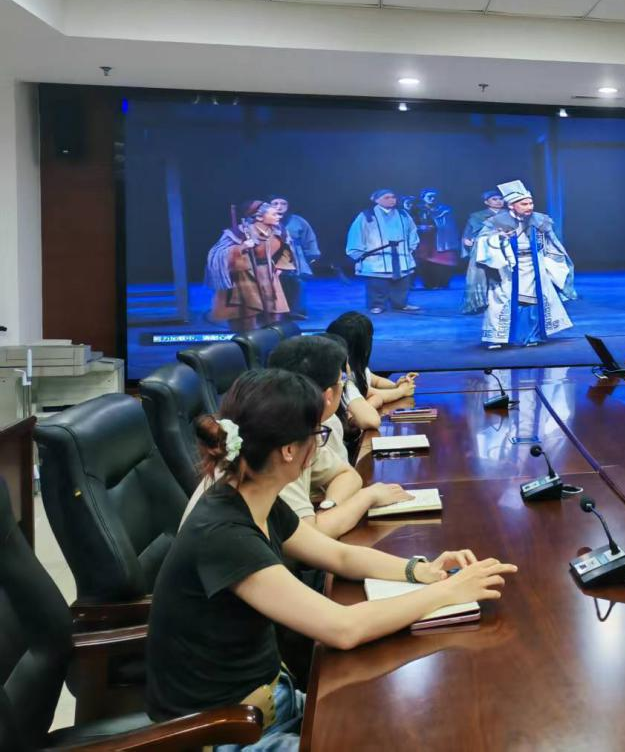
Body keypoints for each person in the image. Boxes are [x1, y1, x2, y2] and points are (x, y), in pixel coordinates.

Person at [145, 369, 517, 748]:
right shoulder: (224, 533)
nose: (319, 444)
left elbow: (338, 555)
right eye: (317, 434)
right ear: (289, 450)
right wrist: (448, 592)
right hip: (224, 732)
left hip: (272, 701)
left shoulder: (252, 493)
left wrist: (420, 570)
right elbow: (343, 629)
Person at [179, 334, 413, 536]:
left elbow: (346, 476)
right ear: (327, 396)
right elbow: (314, 539)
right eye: (342, 381)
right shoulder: (268, 455)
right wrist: (366, 498)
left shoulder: (295, 430)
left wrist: (329, 508)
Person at [473, 180, 575, 349]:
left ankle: (532, 336)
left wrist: (553, 261)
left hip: (534, 266)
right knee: (502, 301)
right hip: (507, 267)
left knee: (535, 301)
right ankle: (499, 338)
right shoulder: (497, 222)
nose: (529, 207)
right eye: (524, 204)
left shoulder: (540, 220)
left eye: (531, 203)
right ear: (511, 205)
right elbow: (482, 242)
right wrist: (498, 238)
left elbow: (552, 244)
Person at [206, 199, 293, 333]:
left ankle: (272, 337)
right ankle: (247, 339)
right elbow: (217, 254)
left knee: (275, 311)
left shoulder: (279, 231)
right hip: (246, 276)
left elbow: (287, 249)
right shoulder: (239, 232)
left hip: (269, 275)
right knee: (248, 313)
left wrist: (281, 266)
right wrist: (242, 247)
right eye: (274, 214)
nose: (278, 217)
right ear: (259, 217)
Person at [345, 189, 420, 315]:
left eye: (393, 197)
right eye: (387, 197)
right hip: (377, 256)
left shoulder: (403, 214)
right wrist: (357, 252)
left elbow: (412, 231)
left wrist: (411, 247)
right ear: (376, 200)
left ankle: (401, 303)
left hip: (400, 255)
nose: (391, 200)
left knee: (402, 281)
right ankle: (377, 305)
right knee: (377, 283)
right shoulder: (367, 215)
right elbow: (357, 233)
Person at [326, 312, 415, 417]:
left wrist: (395, 385)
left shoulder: (357, 366)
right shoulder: (344, 375)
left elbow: (376, 381)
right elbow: (372, 393)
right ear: (363, 346)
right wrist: (401, 391)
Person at [267, 195, 319, 320]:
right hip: (272, 257)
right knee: (273, 284)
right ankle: (274, 311)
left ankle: (296, 310)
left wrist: (311, 255)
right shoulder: (265, 220)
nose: (279, 207)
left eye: (283, 203)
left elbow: (309, 239)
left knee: (298, 282)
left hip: (295, 258)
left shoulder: (298, 221)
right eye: (275, 203)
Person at [460, 189, 505, 314]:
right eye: (494, 199)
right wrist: (466, 239)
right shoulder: (477, 216)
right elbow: (468, 232)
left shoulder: (509, 214)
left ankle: (503, 302)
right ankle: (478, 303)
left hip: (504, 248)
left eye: (500, 199)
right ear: (486, 202)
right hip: (482, 247)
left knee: (501, 274)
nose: (498, 201)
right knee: (479, 274)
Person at [411, 188, 460, 290]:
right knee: (425, 261)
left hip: (441, 239)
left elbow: (449, 225)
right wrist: (420, 227)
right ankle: (429, 283)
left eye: (434, 197)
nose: (432, 199)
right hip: (424, 239)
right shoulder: (417, 210)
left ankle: (443, 282)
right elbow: (411, 223)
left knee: (443, 261)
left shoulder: (444, 210)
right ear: (423, 198)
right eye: (429, 196)